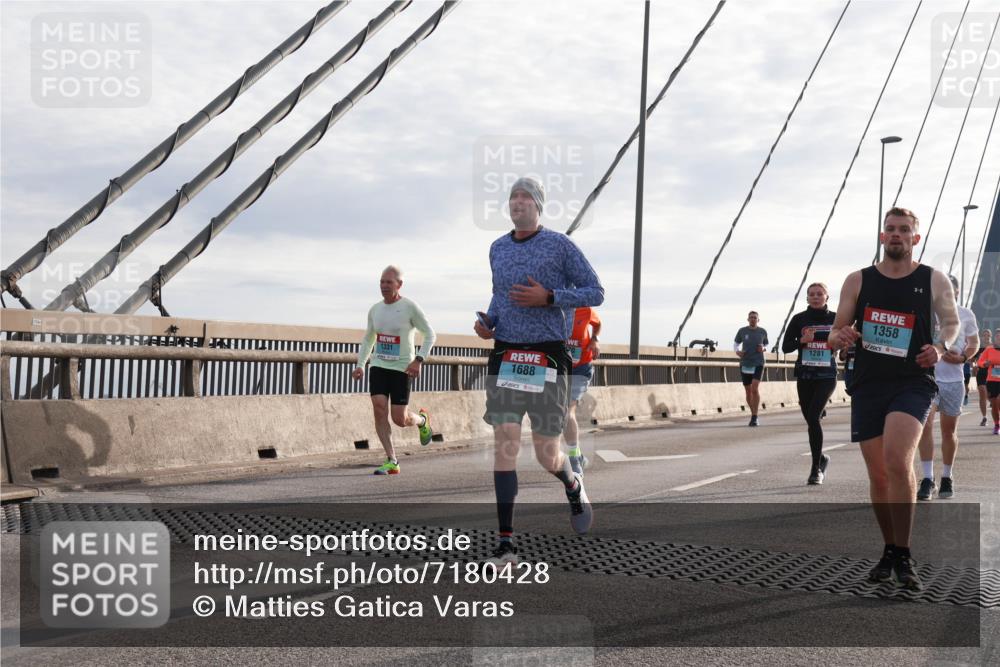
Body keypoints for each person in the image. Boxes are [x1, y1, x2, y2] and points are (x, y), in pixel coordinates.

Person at [474, 176, 604, 564]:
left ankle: (572, 482)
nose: (517, 202)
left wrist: (549, 297)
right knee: (506, 442)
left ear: (538, 205)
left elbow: (595, 291)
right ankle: (506, 543)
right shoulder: (497, 248)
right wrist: (488, 323)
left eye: (524, 197)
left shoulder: (560, 245)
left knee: (548, 451)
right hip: (507, 353)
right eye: (512, 197)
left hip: (548, 355)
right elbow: (499, 295)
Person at [828, 207, 959, 591]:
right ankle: (889, 548)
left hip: (912, 381)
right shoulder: (858, 280)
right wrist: (842, 337)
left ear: (915, 238)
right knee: (879, 474)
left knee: (897, 460)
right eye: (890, 229)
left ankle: (904, 553)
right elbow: (837, 331)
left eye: (904, 230)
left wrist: (939, 346)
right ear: (882, 236)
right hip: (869, 383)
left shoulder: (932, 279)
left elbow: (950, 323)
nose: (896, 235)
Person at [352, 265, 436, 475]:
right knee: (379, 407)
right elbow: (368, 338)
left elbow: (430, 334)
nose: (384, 286)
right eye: (382, 281)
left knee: (400, 419)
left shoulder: (410, 307)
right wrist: (361, 364)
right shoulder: (375, 309)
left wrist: (418, 360)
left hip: (402, 367)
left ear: (399, 285)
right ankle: (392, 460)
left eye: (389, 282)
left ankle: (421, 421)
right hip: (379, 365)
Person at [916, 275, 979, 500]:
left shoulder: (966, 314)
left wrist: (963, 358)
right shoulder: (924, 312)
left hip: (953, 380)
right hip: (928, 378)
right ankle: (927, 478)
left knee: (948, 432)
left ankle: (947, 476)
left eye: (950, 291)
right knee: (925, 427)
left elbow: (974, 343)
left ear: (957, 292)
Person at [781, 282, 837, 485]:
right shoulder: (799, 319)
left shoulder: (836, 318)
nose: (815, 297)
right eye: (811, 294)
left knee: (813, 417)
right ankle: (822, 457)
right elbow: (785, 347)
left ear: (826, 297)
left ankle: (816, 469)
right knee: (810, 419)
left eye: (819, 294)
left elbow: (847, 339)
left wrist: (840, 343)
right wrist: (801, 341)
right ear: (807, 298)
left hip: (826, 375)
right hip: (805, 375)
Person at [564, 307, 601, 475]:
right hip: (558, 368)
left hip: (580, 369)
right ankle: (577, 455)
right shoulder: (552, 308)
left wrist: (595, 339)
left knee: (567, 411)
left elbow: (598, 324)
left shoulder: (585, 310)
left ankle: (573, 458)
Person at [734, 311, 768, 426]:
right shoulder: (742, 331)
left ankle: (755, 416)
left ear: (758, 320)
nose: (753, 319)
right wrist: (737, 352)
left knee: (754, 388)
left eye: (755, 318)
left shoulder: (762, 331)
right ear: (748, 319)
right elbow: (736, 343)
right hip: (745, 362)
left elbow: (766, 344)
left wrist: (763, 348)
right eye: (751, 317)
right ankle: (753, 413)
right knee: (748, 391)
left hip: (758, 362)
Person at [979, 328, 1000, 435]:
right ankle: (997, 424)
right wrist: (985, 364)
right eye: (997, 336)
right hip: (992, 380)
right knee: (995, 405)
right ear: (995, 339)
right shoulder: (989, 349)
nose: (999, 338)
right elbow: (980, 362)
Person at [974, 329, 994, 427]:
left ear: (991, 337)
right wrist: (974, 364)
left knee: (992, 396)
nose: (986, 337)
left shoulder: (994, 347)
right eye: (984, 335)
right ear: (982, 337)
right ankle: (984, 417)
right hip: (981, 373)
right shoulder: (979, 348)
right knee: (982, 393)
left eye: (988, 335)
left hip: (993, 373)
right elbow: (972, 359)